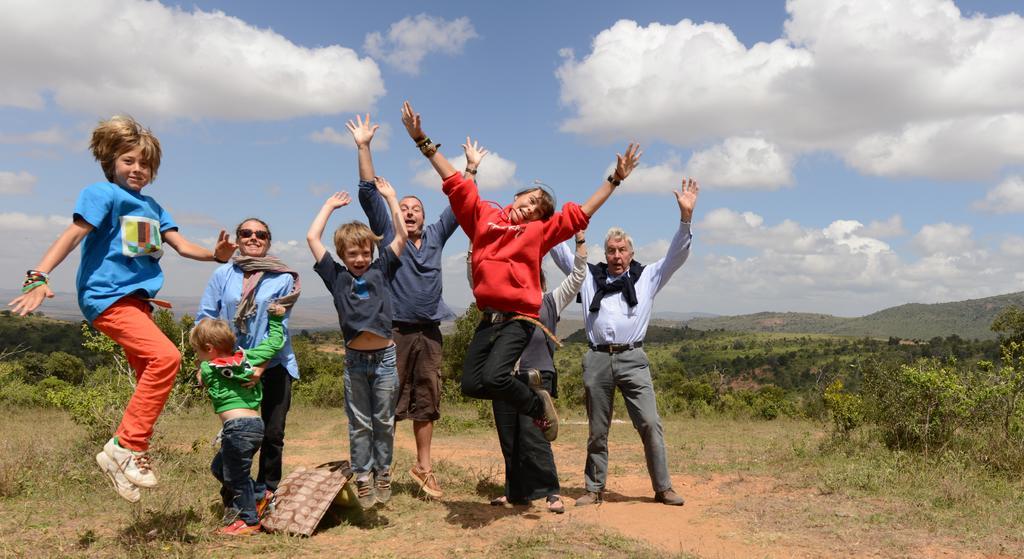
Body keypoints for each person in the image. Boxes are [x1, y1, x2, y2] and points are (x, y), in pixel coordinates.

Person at [7, 115, 236, 503]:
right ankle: (125, 447)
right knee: (166, 358)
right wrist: (38, 275)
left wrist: (215, 255)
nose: (138, 169)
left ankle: (124, 459)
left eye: (145, 164)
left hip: (138, 304)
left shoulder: (152, 206)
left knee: (152, 372)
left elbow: (181, 246)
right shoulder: (103, 194)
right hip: (107, 298)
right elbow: (73, 234)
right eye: (129, 160)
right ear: (111, 161)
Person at [400, 100, 640, 442]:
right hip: (488, 319)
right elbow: (455, 182)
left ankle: (536, 405)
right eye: (527, 200)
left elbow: (581, 214)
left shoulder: (537, 233)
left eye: (536, 208)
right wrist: (422, 139)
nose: (527, 208)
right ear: (515, 197)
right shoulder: (483, 218)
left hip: (520, 319)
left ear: (539, 218)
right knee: (471, 383)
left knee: (496, 378)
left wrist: (615, 179)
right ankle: (528, 387)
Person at [550, 177, 700, 507]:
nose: (617, 256)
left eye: (622, 250)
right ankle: (593, 489)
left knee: (649, 422)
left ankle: (663, 488)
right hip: (597, 358)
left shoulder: (647, 277)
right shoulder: (588, 275)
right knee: (597, 428)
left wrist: (685, 217)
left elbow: (676, 255)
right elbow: (558, 251)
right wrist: (551, 217)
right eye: (611, 251)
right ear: (605, 253)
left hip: (633, 359)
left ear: (632, 253)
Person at [349, 114, 464, 498]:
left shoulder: (436, 237)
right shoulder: (388, 236)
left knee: (426, 401)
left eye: (417, 208)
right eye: (407, 207)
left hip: (429, 331)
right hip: (392, 331)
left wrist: (473, 169)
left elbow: (462, 200)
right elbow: (368, 192)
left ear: (427, 218)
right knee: (388, 400)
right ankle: (383, 470)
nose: (411, 211)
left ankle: (424, 467)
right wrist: (364, 146)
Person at [306, 178, 407, 509]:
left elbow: (401, 236)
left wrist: (392, 199)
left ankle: (383, 472)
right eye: (354, 253)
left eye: (365, 251)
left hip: (385, 360)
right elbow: (312, 237)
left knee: (384, 421)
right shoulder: (336, 277)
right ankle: (363, 477)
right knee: (360, 423)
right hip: (355, 361)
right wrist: (329, 207)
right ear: (342, 255)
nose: (361, 258)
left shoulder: (381, 269)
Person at [472, 231, 589, 514]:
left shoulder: (550, 300)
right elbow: (477, 278)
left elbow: (577, 277)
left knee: (534, 434)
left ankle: (551, 493)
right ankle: (516, 494)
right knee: (509, 436)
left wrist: (580, 243)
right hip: (506, 379)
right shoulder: (502, 306)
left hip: (537, 376)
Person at [197, 218, 301, 502]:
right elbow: (206, 317)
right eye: (247, 233)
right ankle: (237, 495)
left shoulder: (284, 278)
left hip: (275, 364)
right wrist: (204, 364)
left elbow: (278, 328)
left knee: (272, 434)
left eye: (261, 234)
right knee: (237, 434)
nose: (254, 238)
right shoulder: (223, 274)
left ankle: (267, 491)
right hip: (231, 367)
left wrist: (259, 366)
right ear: (238, 239)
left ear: (268, 240)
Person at [190, 304, 287, 536]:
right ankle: (258, 494)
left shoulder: (208, 367)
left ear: (209, 348)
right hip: (255, 426)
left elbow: (202, 375)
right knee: (219, 468)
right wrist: (275, 320)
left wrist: (201, 372)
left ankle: (248, 521)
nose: (198, 356)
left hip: (236, 429)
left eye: (198, 351)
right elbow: (274, 344)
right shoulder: (246, 358)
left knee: (236, 476)